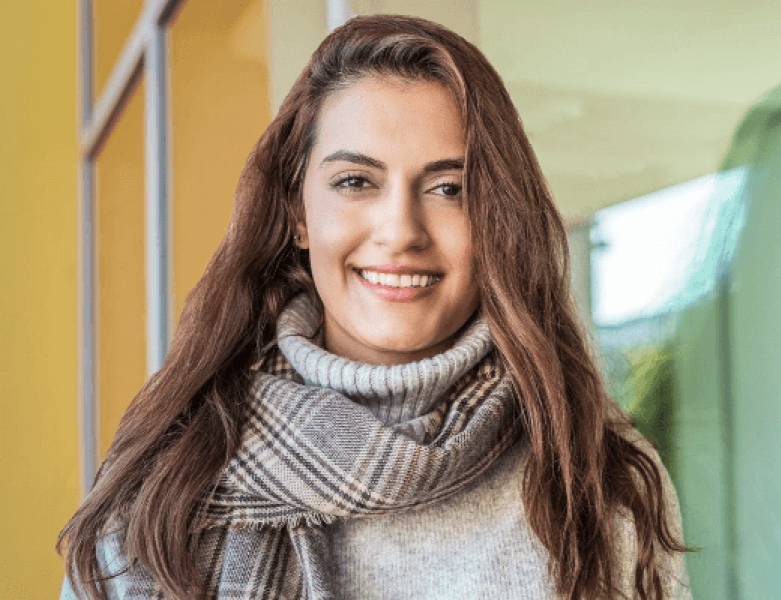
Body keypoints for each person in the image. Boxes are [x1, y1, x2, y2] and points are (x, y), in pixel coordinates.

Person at [57, 14, 693, 600]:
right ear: (298, 213)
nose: (401, 231)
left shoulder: (596, 469)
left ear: (496, 218)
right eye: (355, 182)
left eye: (449, 188)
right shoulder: (165, 474)